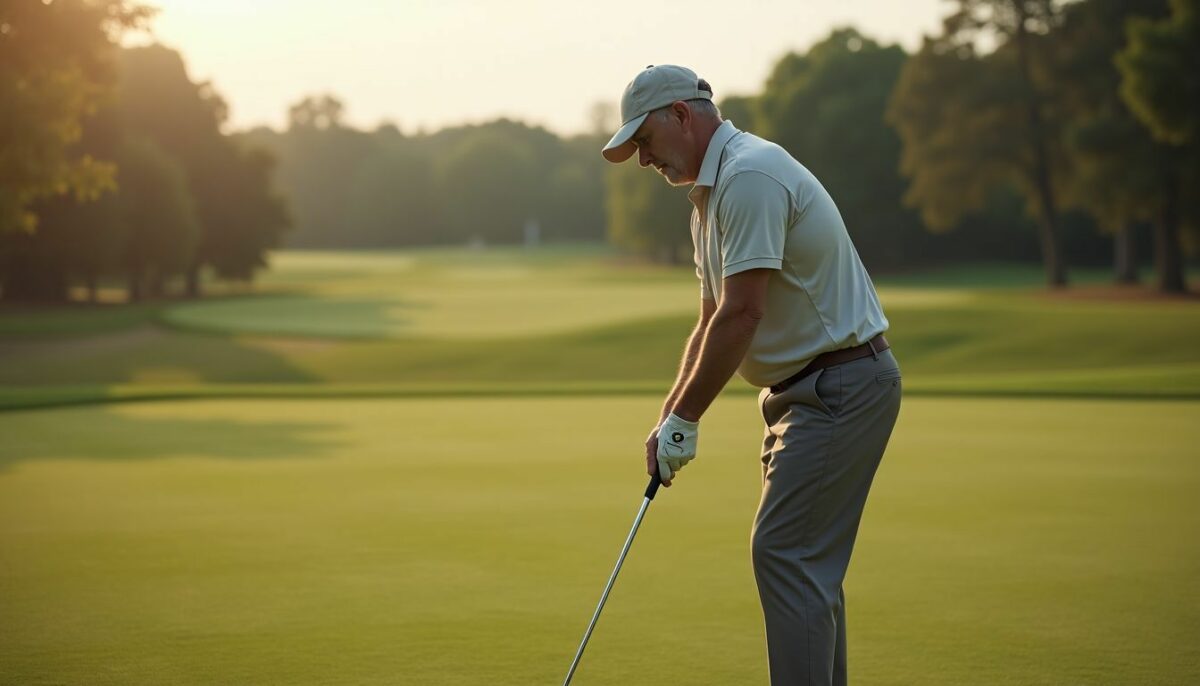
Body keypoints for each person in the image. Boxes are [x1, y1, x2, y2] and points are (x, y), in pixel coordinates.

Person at [600, 64, 902, 686]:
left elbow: (744, 313)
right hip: (804, 395)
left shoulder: (750, 177)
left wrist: (687, 420)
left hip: (839, 386)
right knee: (804, 567)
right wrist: (670, 418)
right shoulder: (709, 197)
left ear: (681, 116)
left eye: (646, 142)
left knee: (786, 555)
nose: (643, 160)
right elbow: (712, 314)